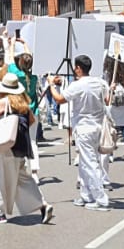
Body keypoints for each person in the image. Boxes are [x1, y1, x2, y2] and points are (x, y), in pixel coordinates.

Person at [0, 73, 53, 225]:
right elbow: (31, 121)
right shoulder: (23, 103)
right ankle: (42, 204)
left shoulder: (4, 102)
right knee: (23, 179)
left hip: (6, 145)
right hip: (20, 146)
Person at [52, 55, 109, 211]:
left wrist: (51, 85)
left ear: (78, 68)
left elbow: (59, 99)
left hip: (85, 128)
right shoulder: (99, 82)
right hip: (97, 126)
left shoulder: (78, 85)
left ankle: (101, 199)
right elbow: (107, 99)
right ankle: (86, 195)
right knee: (85, 162)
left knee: (90, 163)